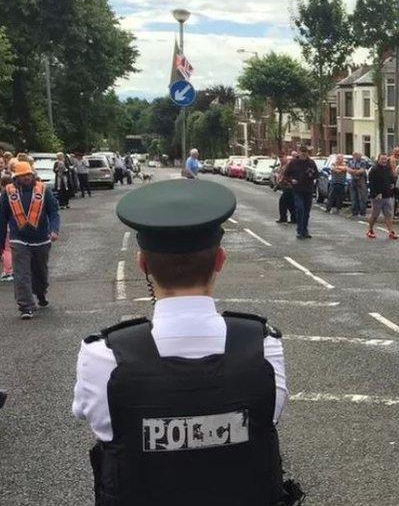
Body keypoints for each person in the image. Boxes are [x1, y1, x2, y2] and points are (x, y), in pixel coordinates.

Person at [72, 179, 298, 505]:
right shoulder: (263, 347)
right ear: (220, 260)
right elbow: (268, 418)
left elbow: (93, 420)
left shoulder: (103, 357)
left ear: (142, 265)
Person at [0, 161, 61, 319]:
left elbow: (54, 211)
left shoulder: (43, 190)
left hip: (41, 239)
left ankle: (40, 293)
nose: (26, 177)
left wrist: (54, 230)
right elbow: (2, 218)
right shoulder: (8, 193)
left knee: (40, 272)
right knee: (22, 274)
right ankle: (26, 306)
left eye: (28, 174)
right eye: (23, 175)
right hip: (18, 240)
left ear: (32, 175)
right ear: (17, 177)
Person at [284, 146, 319, 240]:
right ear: (299, 153)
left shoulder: (311, 163)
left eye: (305, 152)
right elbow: (286, 175)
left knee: (306, 211)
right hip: (297, 190)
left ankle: (305, 230)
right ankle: (300, 230)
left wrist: (311, 175)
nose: (304, 154)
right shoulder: (293, 163)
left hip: (308, 190)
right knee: (300, 209)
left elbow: (316, 175)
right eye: (302, 152)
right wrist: (292, 180)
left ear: (307, 153)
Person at [366, 153, 397, 240]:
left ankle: (391, 232)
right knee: (375, 214)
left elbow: (391, 179)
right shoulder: (374, 170)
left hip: (387, 195)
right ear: (378, 160)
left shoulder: (388, 168)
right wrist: (376, 194)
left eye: (385, 159)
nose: (384, 161)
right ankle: (370, 230)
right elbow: (371, 184)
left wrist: (392, 185)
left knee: (388, 214)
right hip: (377, 196)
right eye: (382, 159)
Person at [275, 154, 296, 225]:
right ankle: (293, 218)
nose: (281, 160)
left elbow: (288, 174)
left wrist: (285, 179)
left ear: (285, 157)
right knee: (290, 203)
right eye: (280, 158)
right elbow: (279, 173)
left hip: (289, 186)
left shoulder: (288, 165)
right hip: (284, 186)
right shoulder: (281, 165)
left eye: (282, 158)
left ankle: (284, 218)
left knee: (283, 202)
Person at [348, 152, 370, 218]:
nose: (359, 157)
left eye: (359, 156)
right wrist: (355, 171)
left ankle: (362, 213)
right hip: (353, 181)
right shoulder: (351, 162)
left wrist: (354, 172)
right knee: (354, 197)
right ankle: (354, 212)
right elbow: (348, 169)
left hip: (361, 181)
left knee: (362, 197)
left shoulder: (363, 162)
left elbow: (362, 170)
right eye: (357, 156)